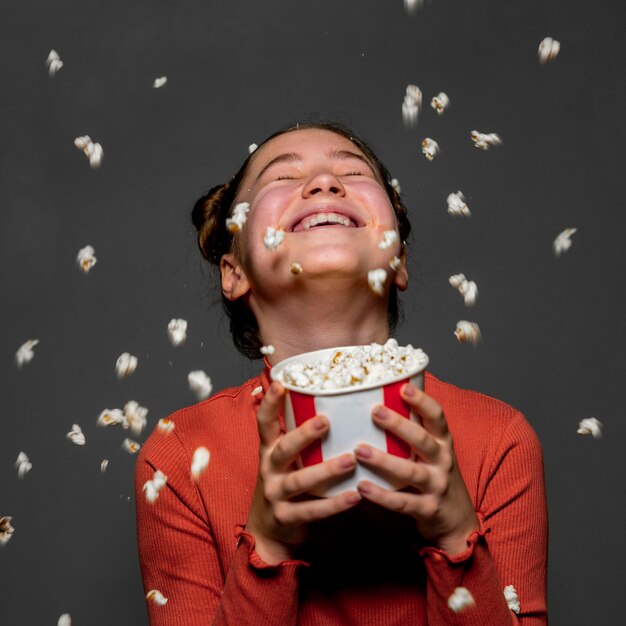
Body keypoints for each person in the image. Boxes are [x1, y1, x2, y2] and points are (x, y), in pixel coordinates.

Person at [135, 122, 548, 625]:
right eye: (281, 178)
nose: (325, 183)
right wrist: (267, 546)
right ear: (234, 271)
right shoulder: (180, 455)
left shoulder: (498, 437)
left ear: (397, 260)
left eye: (353, 172)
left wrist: (456, 535)